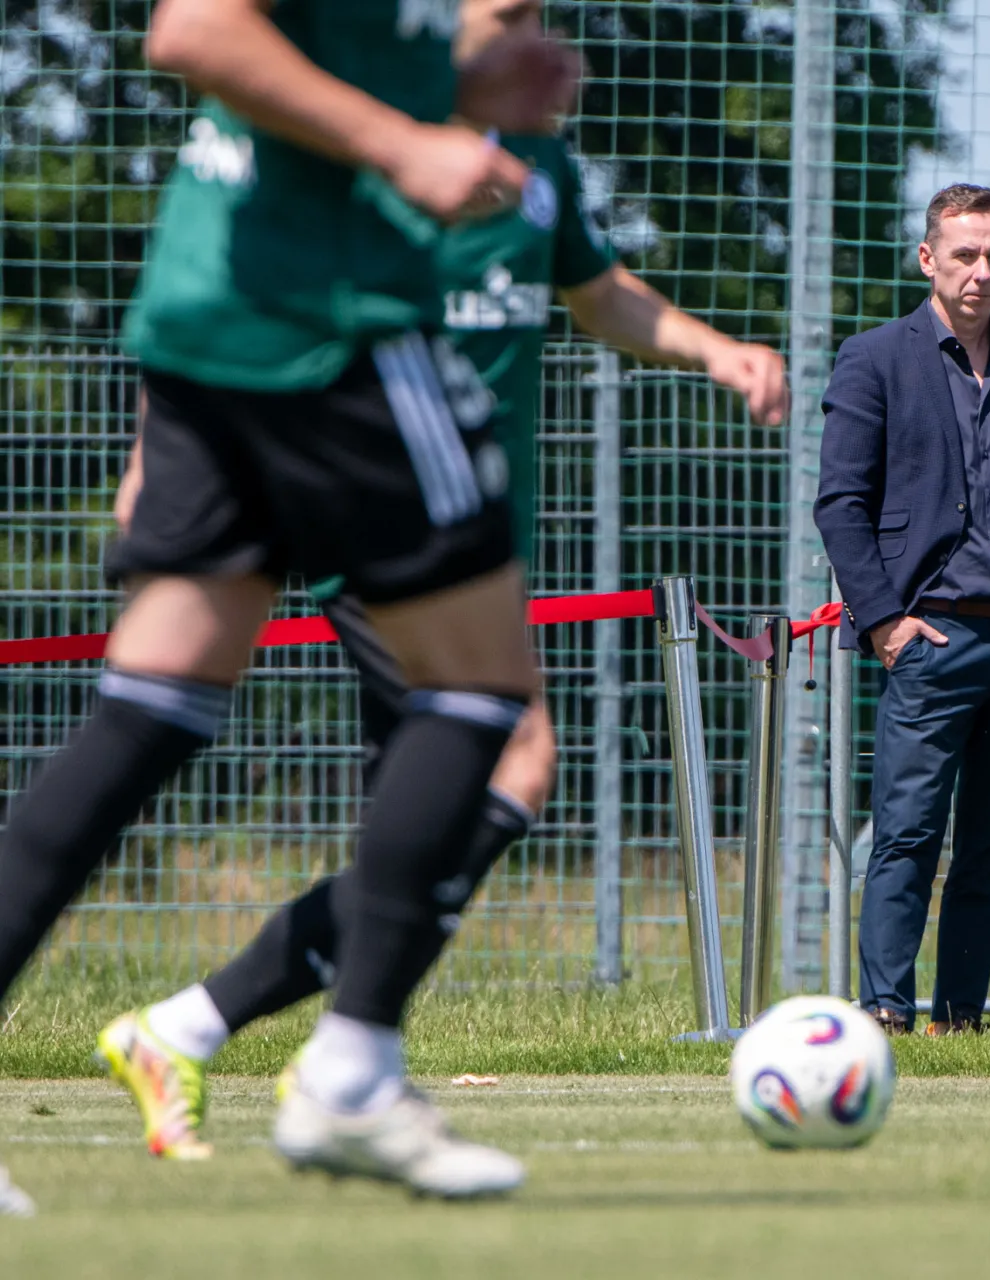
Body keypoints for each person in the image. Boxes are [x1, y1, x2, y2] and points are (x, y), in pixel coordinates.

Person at [91, 0, 790, 1166]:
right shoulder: (381, 136)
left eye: (538, 15)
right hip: (379, 514)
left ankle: (270, 1041)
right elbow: (253, 253)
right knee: (512, 753)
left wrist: (717, 350)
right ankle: (298, 1046)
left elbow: (598, 292)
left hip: (463, 529)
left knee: (429, 810)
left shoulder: (538, 164)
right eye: (502, 14)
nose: (529, 32)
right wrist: (161, 441)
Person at [0, 0, 581, 1204]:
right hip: (330, 322)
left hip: (224, 312)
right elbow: (198, 29)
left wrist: (460, 93)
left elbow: (316, 58)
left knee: (152, 705)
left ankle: (267, 1045)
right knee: (484, 690)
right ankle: (351, 1072)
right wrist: (407, 142)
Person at [813, 183, 990, 1036]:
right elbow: (840, 504)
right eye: (965, 254)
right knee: (906, 834)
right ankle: (886, 1012)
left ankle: (960, 1018)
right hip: (931, 637)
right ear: (927, 259)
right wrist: (885, 624)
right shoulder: (875, 358)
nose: (982, 272)